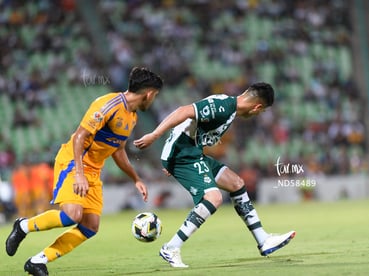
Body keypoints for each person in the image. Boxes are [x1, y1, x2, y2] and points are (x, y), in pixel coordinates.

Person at [5, 67, 163, 276]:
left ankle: (38, 261)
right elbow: (80, 137)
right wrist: (79, 173)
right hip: (73, 161)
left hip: (93, 170)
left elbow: (118, 149)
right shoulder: (108, 105)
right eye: (156, 95)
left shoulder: (131, 117)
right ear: (149, 93)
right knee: (73, 215)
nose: (154, 100)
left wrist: (136, 179)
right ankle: (23, 225)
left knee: (90, 226)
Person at [134, 82, 295, 268]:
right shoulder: (223, 108)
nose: (258, 114)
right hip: (184, 155)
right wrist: (155, 136)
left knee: (236, 183)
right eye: (261, 111)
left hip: (191, 152)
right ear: (257, 107)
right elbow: (183, 111)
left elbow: (191, 125)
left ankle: (263, 239)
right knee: (214, 197)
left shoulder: (229, 109)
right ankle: (171, 247)